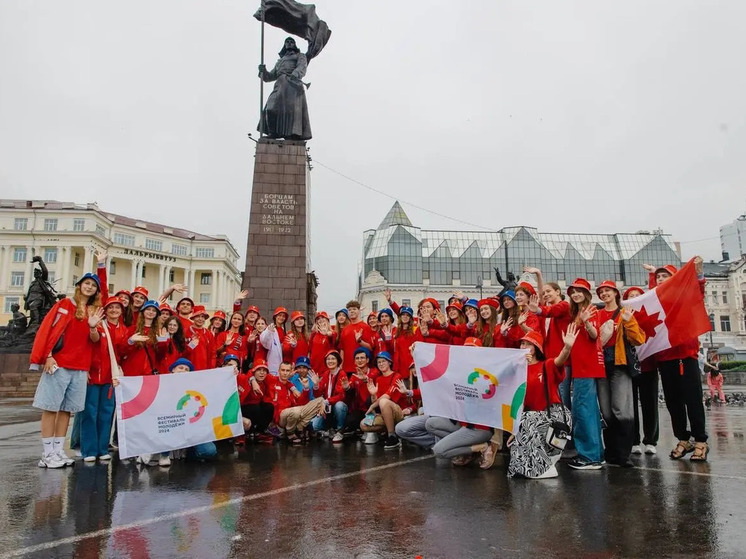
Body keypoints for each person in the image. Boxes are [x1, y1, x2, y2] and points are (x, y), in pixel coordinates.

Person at [30, 272, 103, 468]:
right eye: (86, 283)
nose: (89, 287)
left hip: (80, 367)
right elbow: (49, 330)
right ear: (79, 285)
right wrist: (48, 355)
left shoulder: (93, 311)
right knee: (51, 407)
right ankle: (46, 454)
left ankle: (58, 450)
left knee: (65, 411)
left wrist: (93, 327)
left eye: (93, 285)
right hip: (58, 363)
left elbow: (95, 341)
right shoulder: (64, 305)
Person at [531, 277, 605, 470]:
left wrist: (587, 323)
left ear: (587, 293)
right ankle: (595, 454)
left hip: (585, 366)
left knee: (583, 410)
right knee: (586, 409)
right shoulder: (575, 311)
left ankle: (589, 457)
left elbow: (594, 335)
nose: (576, 294)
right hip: (579, 364)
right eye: (573, 291)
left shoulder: (589, 310)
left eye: (579, 291)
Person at [645, 258, 710, 461]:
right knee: (673, 402)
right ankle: (683, 438)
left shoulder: (684, 298)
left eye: (665, 276)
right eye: (659, 277)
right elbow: (650, 299)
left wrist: (699, 275)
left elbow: (698, 292)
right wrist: (652, 276)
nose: (661, 280)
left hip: (685, 355)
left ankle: (700, 440)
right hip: (665, 358)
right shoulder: (658, 300)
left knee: (692, 400)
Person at [507, 327, 577, 479]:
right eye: (522, 344)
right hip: (531, 418)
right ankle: (524, 469)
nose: (523, 347)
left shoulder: (547, 365)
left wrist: (567, 347)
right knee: (523, 425)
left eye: (528, 344)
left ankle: (542, 469)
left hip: (554, 415)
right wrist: (514, 430)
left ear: (535, 349)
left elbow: (560, 360)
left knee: (526, 421)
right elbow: (519, 403)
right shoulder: (518, 371)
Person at [596, 280, 646, 467]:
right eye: (601, 292)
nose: (604, 294)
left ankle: (623, 455)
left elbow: (639, 339)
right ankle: (610, 453)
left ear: (616, 293)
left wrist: (629, 322)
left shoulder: (626, 313)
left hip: (619, 364)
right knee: (606, 412)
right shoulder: (598, 314)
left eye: (608, 290)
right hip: (601, 366)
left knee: (621, 410)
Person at [80, 296, 127, 463]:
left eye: (117, 308)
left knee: (106, 413)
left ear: (122, 311)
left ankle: (102, 448)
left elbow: (122, 354)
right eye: (111, 308)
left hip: (111, 376)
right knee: (90, 413)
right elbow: (91, 342)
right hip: (94, 374)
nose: (114, 310)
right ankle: (88, 450)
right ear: (105, 311)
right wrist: (93, 327)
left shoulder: (124, 330)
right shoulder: (99, 325)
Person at [623, 286, 660, 455]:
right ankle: (633, 440)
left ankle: (651, 440)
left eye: (638, 295)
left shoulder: (650, 314)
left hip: (649, 365)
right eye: (631, 296)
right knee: (630, 406)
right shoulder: (622, 316)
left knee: (650, 404)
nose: (635, 298)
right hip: (629, 367)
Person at [258, 36, 312, 140]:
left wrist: (296, 73)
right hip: (279, 84)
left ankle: (292, 135)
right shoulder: (280, 61)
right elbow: (270, 77)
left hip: (292, 85)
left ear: (295, 44)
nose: (289, 43)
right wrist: (263, 71)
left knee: (292, 111)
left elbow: (302, 66)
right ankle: (273, 133)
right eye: (287, 42)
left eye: (291, 41)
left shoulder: (300, 56)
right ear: (284, 45)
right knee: (270, 108)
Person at [360, 352, 410, 449]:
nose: (381, 364)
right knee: (363, 424)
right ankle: (387, 430)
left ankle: (392, 436)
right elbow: (376, 399)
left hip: (399, 412)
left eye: (384, 361)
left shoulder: (396, 376)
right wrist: (373, 394)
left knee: (384, 401)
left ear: (390, 363)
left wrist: (372, 406)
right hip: (385, 413)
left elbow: (387, 396)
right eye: (379, 362)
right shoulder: (378, 379)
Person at [120, 300, 166, 377]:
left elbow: (161, 356)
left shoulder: (160, 332)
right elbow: (122, 351)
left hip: (149, 373)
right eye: (148, 309)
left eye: (154, 310)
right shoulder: (132, 329)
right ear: (143, 311)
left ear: (157, 314)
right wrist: (130, 341)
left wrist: (162, 342)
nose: (151, 312)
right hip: (131, 372)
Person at [310, 350, 348, 442]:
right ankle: (329, 429)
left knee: (339, 405)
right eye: (328, 359)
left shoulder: (342, 373)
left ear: (338, 361)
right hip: (327, 407)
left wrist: (326, 401)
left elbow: (341, 396)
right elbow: (317, 394)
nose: (330, 361)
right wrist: (315, 385)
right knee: (314, 425)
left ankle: (340, 430)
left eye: (333, 359)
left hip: (336, 406)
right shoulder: (326, 374)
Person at [338, 300, 374, 375]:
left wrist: (360, 341)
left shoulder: (366, 327)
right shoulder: (345, 329)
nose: (352, 311)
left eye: (354, 309)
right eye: (349, 310)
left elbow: (371, 348)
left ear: (359, 310)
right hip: (346, 369)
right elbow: (342, 349)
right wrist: (341, 364)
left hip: (361, 368)